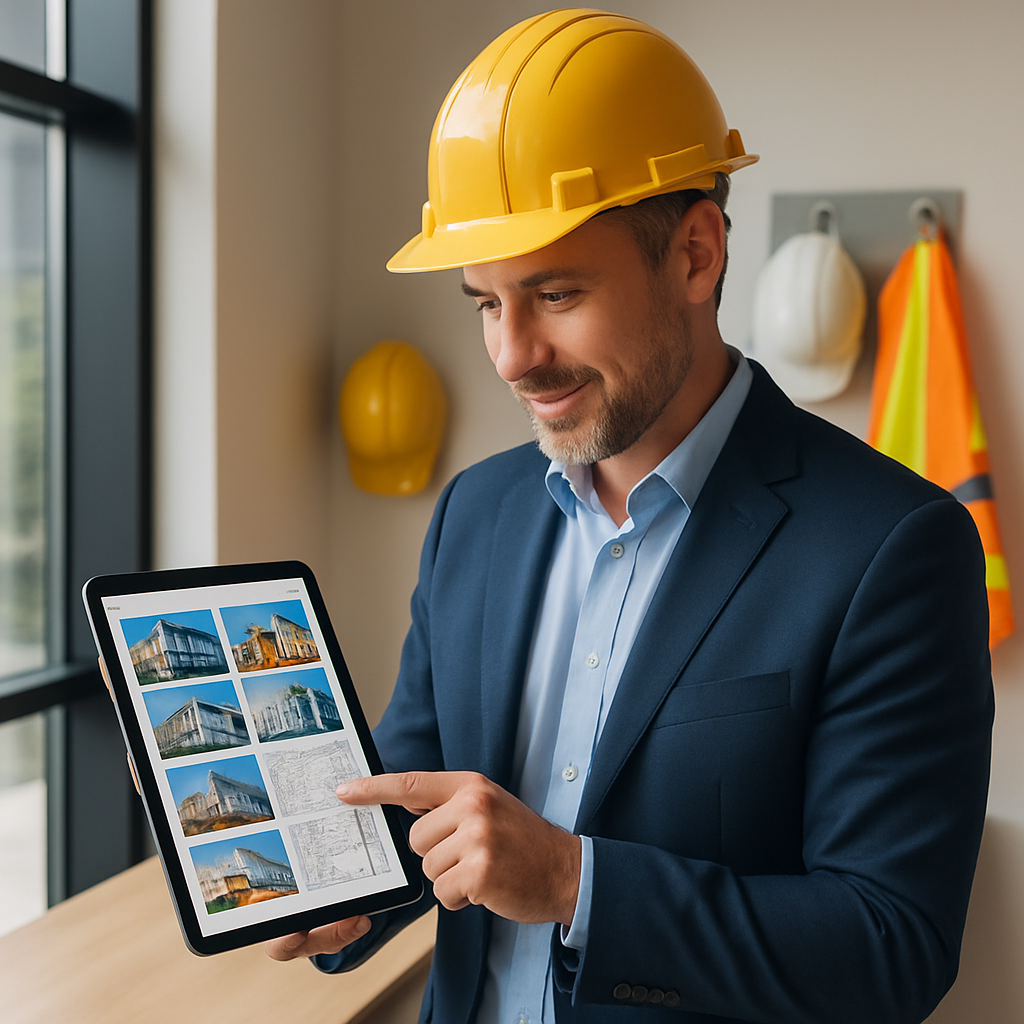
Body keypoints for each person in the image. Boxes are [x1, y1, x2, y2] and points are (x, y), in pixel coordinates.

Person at [265, 10, 993, 1024]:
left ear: (696, 255)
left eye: (555, 293)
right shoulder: (474, 514)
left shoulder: (891, 547)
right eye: (485, 303)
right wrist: (343, 892)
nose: (513, 355)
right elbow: (418, 801)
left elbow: (890, 948)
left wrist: (573, 881)